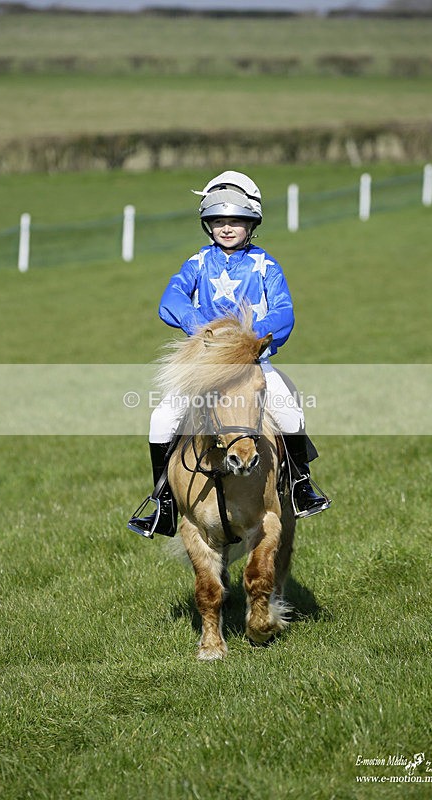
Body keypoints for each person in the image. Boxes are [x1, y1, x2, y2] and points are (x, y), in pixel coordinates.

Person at [128, 170, 330, 539]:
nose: (226, 228)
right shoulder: (197, 263)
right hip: (205, 367)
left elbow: (284, 312)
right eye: (219, 221)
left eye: (235, 221)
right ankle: (164, 504)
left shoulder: (266, 266)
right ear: (208, 225)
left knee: (289, 413)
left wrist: (249, 339)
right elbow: (170, 300)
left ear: (251, 224)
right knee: (161, 420)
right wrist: (203, 329)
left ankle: (301, 486)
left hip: (253, 364)